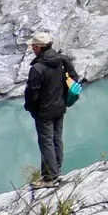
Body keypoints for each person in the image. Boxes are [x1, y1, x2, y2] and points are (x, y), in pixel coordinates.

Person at [22, 33, 77, 186]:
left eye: (33, 46)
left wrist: (30, 108)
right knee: (56, 139)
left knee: (46, 142)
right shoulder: (62, 60)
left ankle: (50, 177)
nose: (32, 48)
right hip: (60, 107)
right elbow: (74, 77)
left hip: (44, 112)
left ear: (39, 47)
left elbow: (32, 93)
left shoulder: (37, 68)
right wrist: (64, 96)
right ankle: (56, 170)